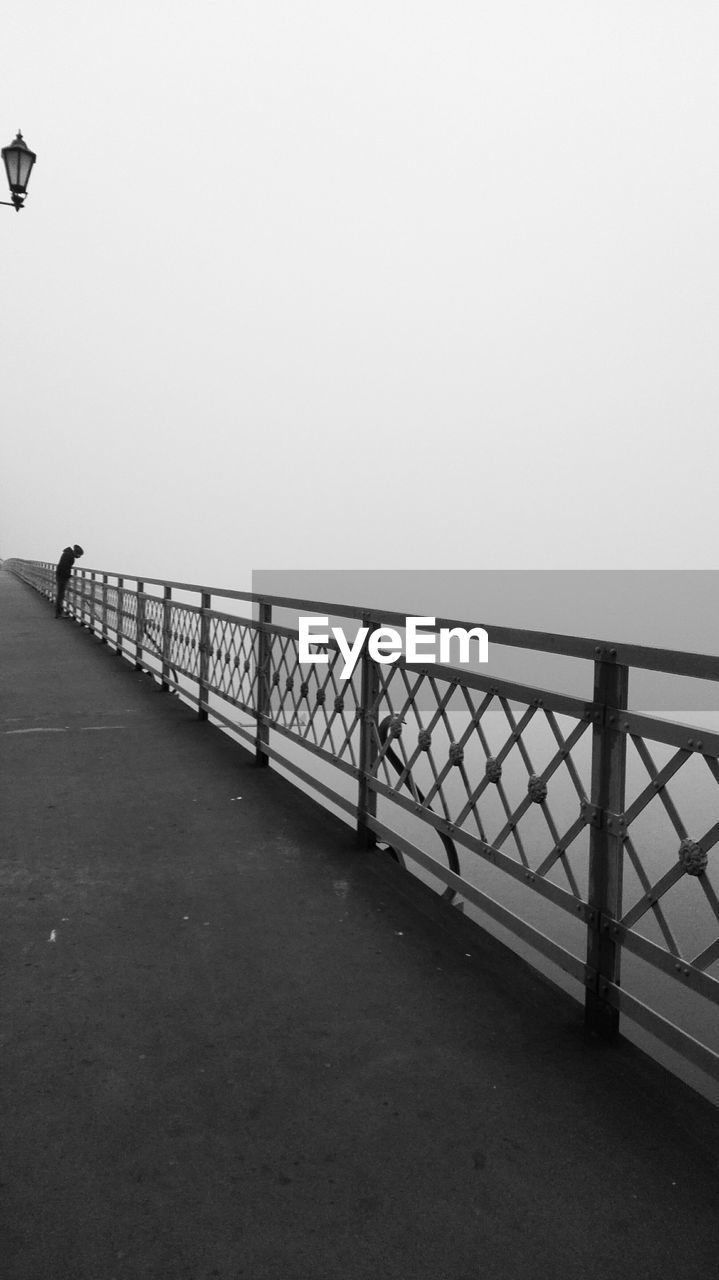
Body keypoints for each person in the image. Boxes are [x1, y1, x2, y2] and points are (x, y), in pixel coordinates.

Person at [55, 543, 84, 617]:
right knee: (61, 595)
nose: (79, 557)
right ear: (76, 553)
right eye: (79, 555)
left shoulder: (67, 554)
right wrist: (68, 576)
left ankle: (58, 612)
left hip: (60, 575)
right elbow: (65, 567)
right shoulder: (69, 556)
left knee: (60, 594)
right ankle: (58, 613)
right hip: (62, 577)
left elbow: (64, 567)